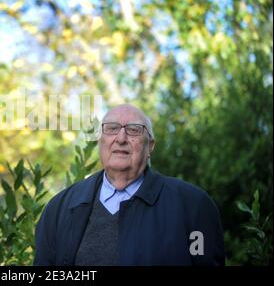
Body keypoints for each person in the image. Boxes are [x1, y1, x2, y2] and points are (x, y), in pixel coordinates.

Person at [34, 104, 225, 266]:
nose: (121, 138)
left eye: (134, 129)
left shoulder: (193, 207)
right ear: (101, 141)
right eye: (112, 128)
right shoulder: (59, 210)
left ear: (150, 146)